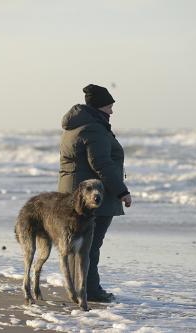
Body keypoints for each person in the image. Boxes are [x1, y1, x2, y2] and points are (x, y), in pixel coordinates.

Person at [58, 83, 132, 303]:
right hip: (90, 198)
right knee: (90, 245)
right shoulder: (94, 128)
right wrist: (122, 192)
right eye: (109, 106)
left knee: (79, 245)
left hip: (73, 194)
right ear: (100, 106)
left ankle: (79, 289)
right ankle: (90, 290)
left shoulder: (76, 126)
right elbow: (101, 164)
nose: (112, 111)